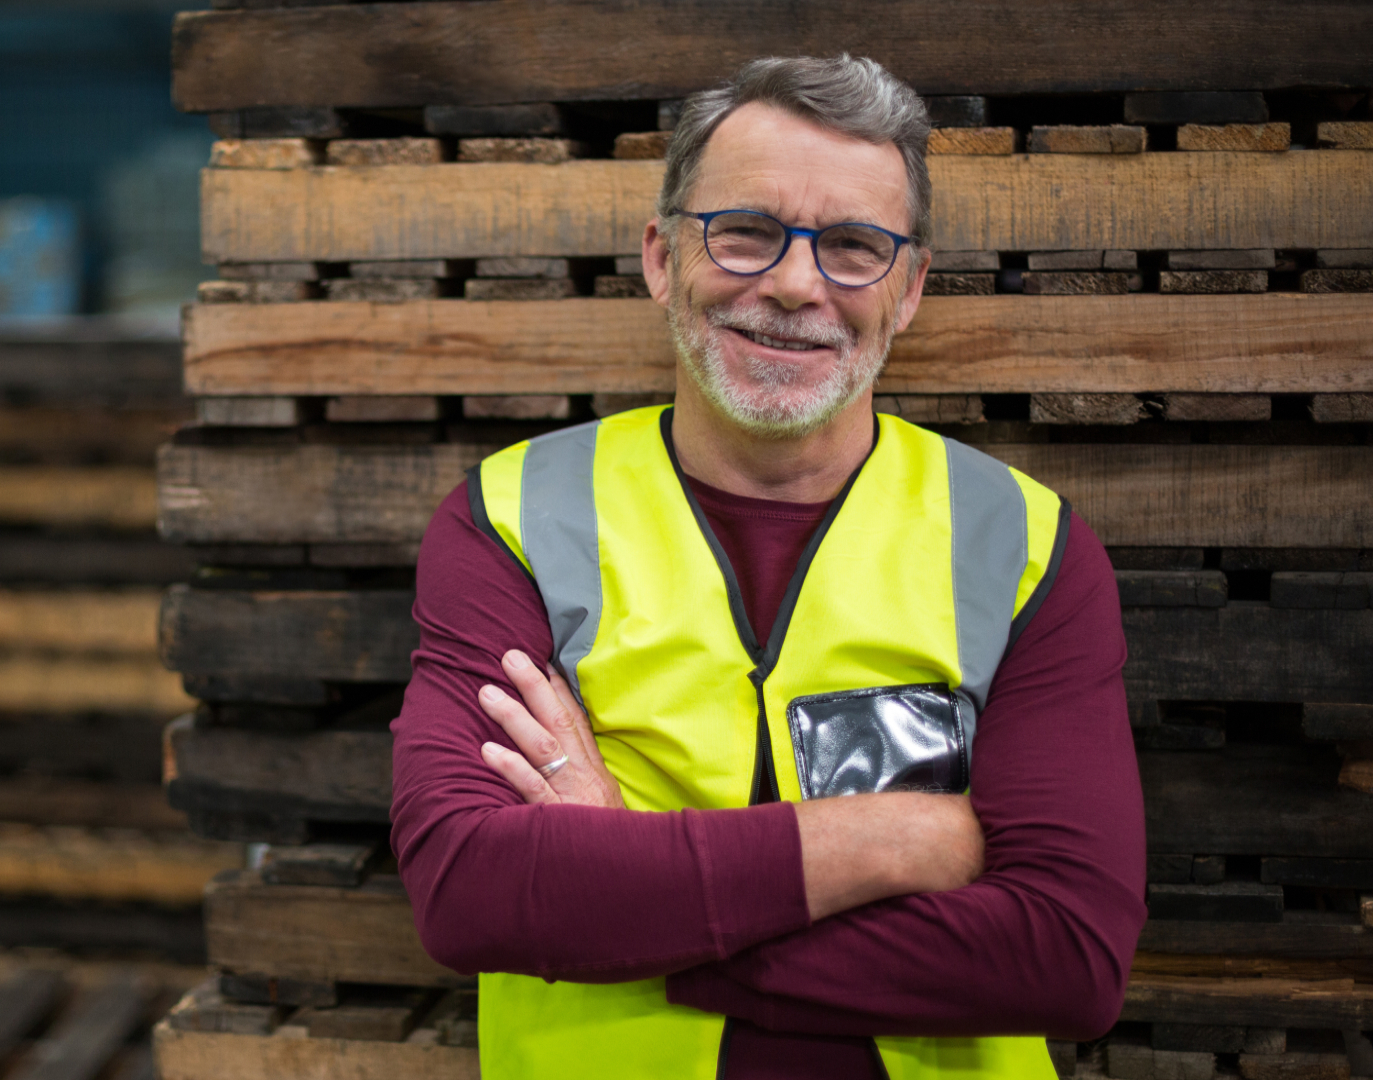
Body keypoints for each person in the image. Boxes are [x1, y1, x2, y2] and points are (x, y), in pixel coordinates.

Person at [388, 54, 1146, 1080]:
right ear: (661, 258)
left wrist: (626, 897)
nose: (795, 285)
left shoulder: (1023, 545)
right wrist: (895, 841)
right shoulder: (513, 520)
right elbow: (469, 890)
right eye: (745, 232)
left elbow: (1066, 960)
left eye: (852, 247)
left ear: (910, 289)